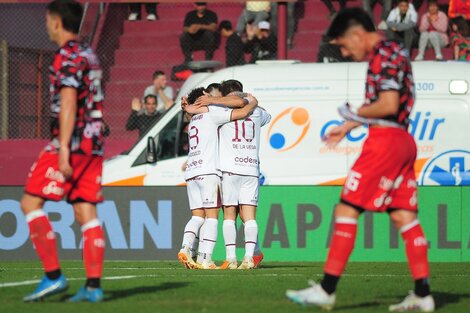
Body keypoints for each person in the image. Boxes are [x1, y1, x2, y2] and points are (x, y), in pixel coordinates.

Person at [286, 7, 434, 312]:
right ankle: (423, 294)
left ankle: (326, 290)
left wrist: (353, 112)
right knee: (403, 216)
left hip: (385, 141)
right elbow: (387, 101)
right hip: (403, 141)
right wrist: (350, 124)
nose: (344, 51)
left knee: (347, 207)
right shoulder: (395, 51)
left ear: (356, 34)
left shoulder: (382, 56)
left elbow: (387, 104)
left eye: (343, 44)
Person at [21, 0, 105, 303]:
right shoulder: (89, 54)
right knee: (86, 211)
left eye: (47, 20)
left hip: (70, 143)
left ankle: (53, 276)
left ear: (56, 22)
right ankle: (93, 287)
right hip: (94, 144)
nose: (46, 26)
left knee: (30, 203)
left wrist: (65, 151)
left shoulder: (66, 55)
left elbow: (69, 101)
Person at [177, 86, 258, 270]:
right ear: (203, 99)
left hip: (191, 173)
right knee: (212, 217)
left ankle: (186, 248)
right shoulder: (212, 113)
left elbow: (193, 113)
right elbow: (243, 107)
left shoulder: (192, 120)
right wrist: (253, 101)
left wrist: (187, 108)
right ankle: (206, 259)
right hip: (208, 172)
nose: (211, 97)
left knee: (197, 217)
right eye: (208, 95)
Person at [196, 80, 270, 270]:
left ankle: (231, 259)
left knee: (229, 216)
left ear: (226, 95)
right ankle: (248, 258)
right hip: (251, 169)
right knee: (250, 216)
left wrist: (215, 100)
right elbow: (267, 115)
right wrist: (249, 99)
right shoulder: (258, 112)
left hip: (229, 169)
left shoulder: (220, 111)